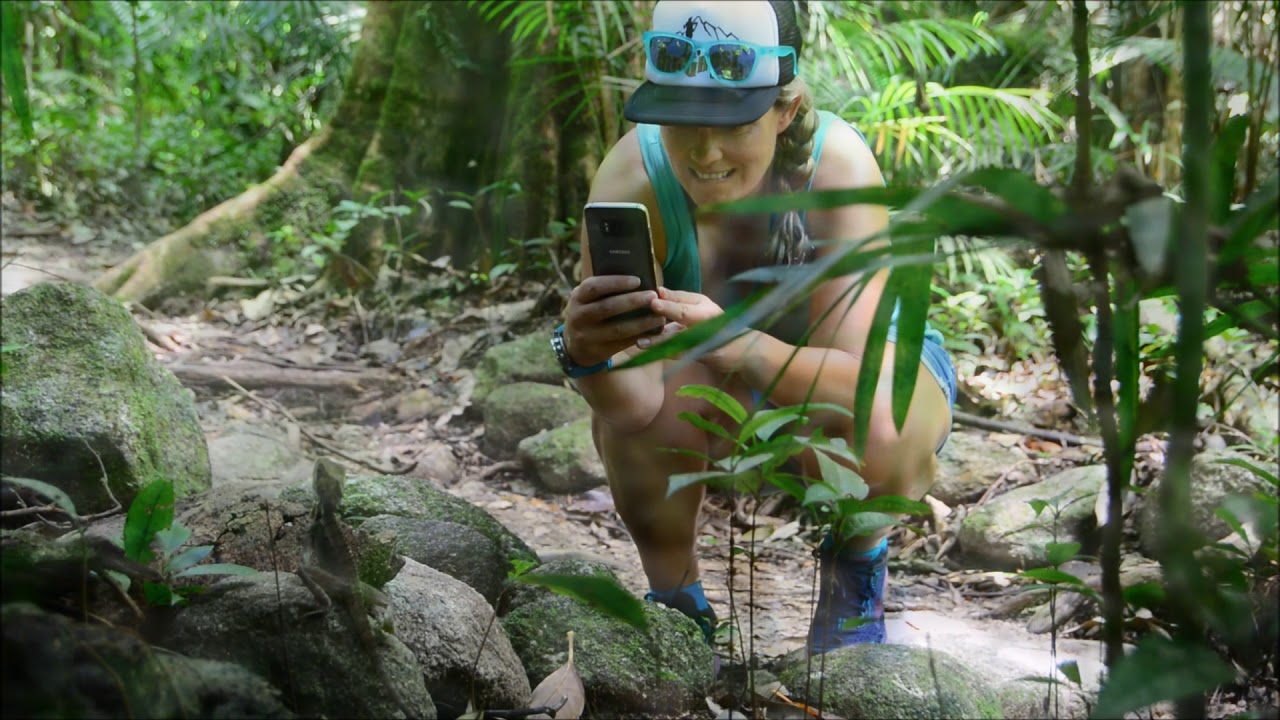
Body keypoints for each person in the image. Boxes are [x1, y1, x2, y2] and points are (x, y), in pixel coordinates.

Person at [549, 0, 957, 653]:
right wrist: (589, 358)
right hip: (715, 380)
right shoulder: (634, 178)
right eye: (683, 121)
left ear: (785, 109)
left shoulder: (838, 170)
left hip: (865, 384)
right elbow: (636, 409)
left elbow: (862, 393)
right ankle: (678, 607)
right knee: (631, 421)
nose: (704, 152)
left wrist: (730, 339)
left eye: (733, 121)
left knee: (888, 419)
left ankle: (855, 578)